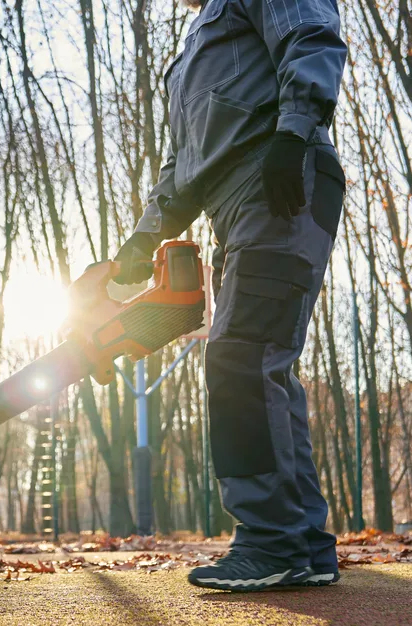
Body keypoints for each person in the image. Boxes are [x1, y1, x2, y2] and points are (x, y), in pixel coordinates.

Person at [113, 0, 348, 591]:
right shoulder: (192, 49)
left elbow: (311, 37)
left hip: (281, 179)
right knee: (259, 362)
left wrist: (294, 133)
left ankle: (272, 543)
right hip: (232, 202)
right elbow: (184, 164)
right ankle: (303, 545)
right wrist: (140, 243)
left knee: (243, 355)